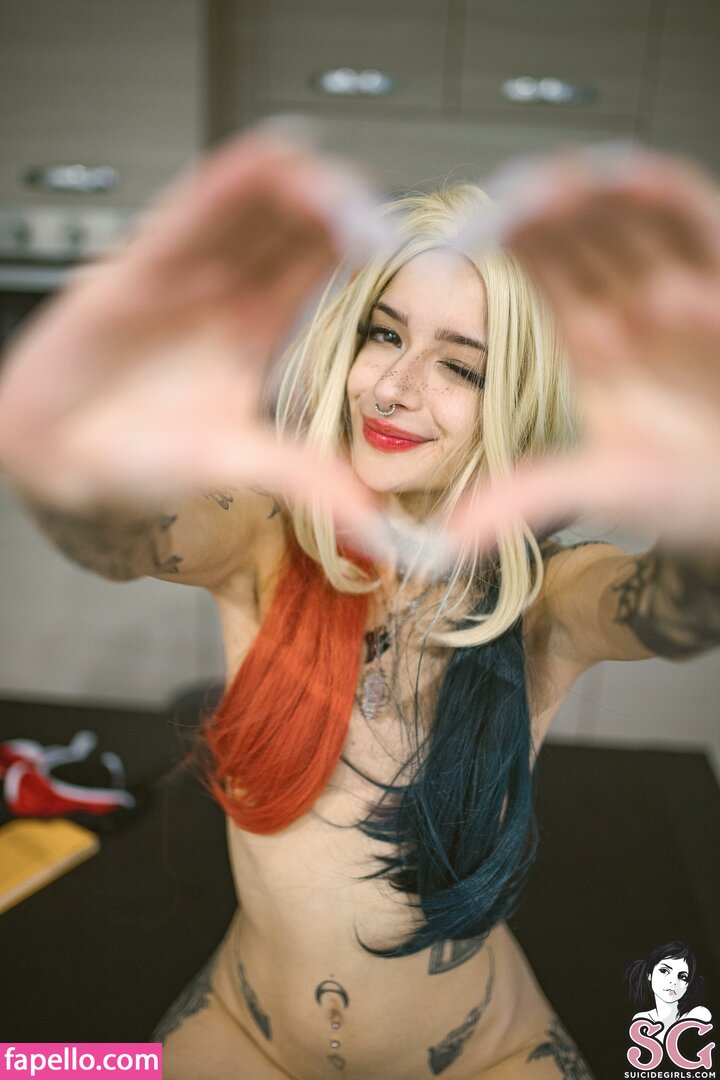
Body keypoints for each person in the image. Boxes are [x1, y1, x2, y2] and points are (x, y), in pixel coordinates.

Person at [0, 128, 719, 1079]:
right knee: (27, 1068)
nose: (393, 386)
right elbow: (118, 528)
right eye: (385, 334)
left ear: (517, 404)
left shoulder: (547, 599)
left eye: (461, 367)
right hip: (246, 1028)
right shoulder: (265, 535)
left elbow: (677, 604)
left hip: (484, 1054)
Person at [626, 941, 711, 1041]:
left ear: (688, 985)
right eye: (664, 970)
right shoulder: (642, 1020)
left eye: (682, 977)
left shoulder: (699, 1014)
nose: (673, 982)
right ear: (649, 974)